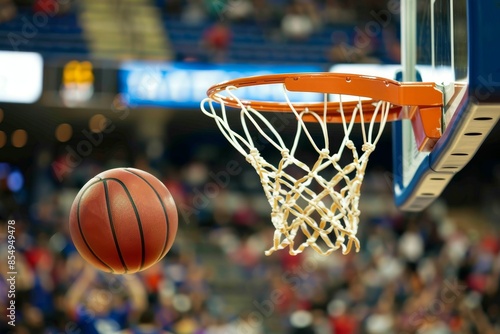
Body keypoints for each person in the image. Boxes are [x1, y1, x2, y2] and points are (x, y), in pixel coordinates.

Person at [66, 264, 147, 334]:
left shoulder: (118, 314)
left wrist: (128, 274)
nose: (98, 299)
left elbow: (139, 302)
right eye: (95, 295)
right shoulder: (86, 317)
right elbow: (70, 303)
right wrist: (87, 277)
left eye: (103, 296)